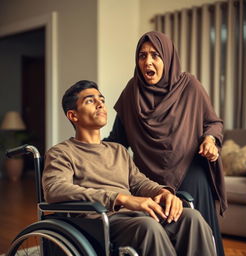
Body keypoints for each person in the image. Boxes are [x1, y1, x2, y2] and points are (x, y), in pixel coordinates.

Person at [42, 80, 216, 256]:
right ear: (73, 116)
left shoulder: (118, 150)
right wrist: (120, 198)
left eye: (101, 99)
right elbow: (55, 189)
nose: (100, 103)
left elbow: (139, 183)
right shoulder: (61, 153)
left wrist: (163, 193)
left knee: (191, 218)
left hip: (134, 215)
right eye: (89, 100)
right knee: (148, 227)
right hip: (98, 222)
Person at [105, 31, 227, 256]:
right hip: (148, 180)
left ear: (168, 58)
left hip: (190, 172)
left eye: (155, 55)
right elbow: (117, 141)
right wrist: (84, 148)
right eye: (142, 55)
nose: (147, 62)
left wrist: (210, 140)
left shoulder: (189, 86)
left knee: (196, 234)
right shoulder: (131, 92)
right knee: (158, 236)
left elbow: (213, 122)